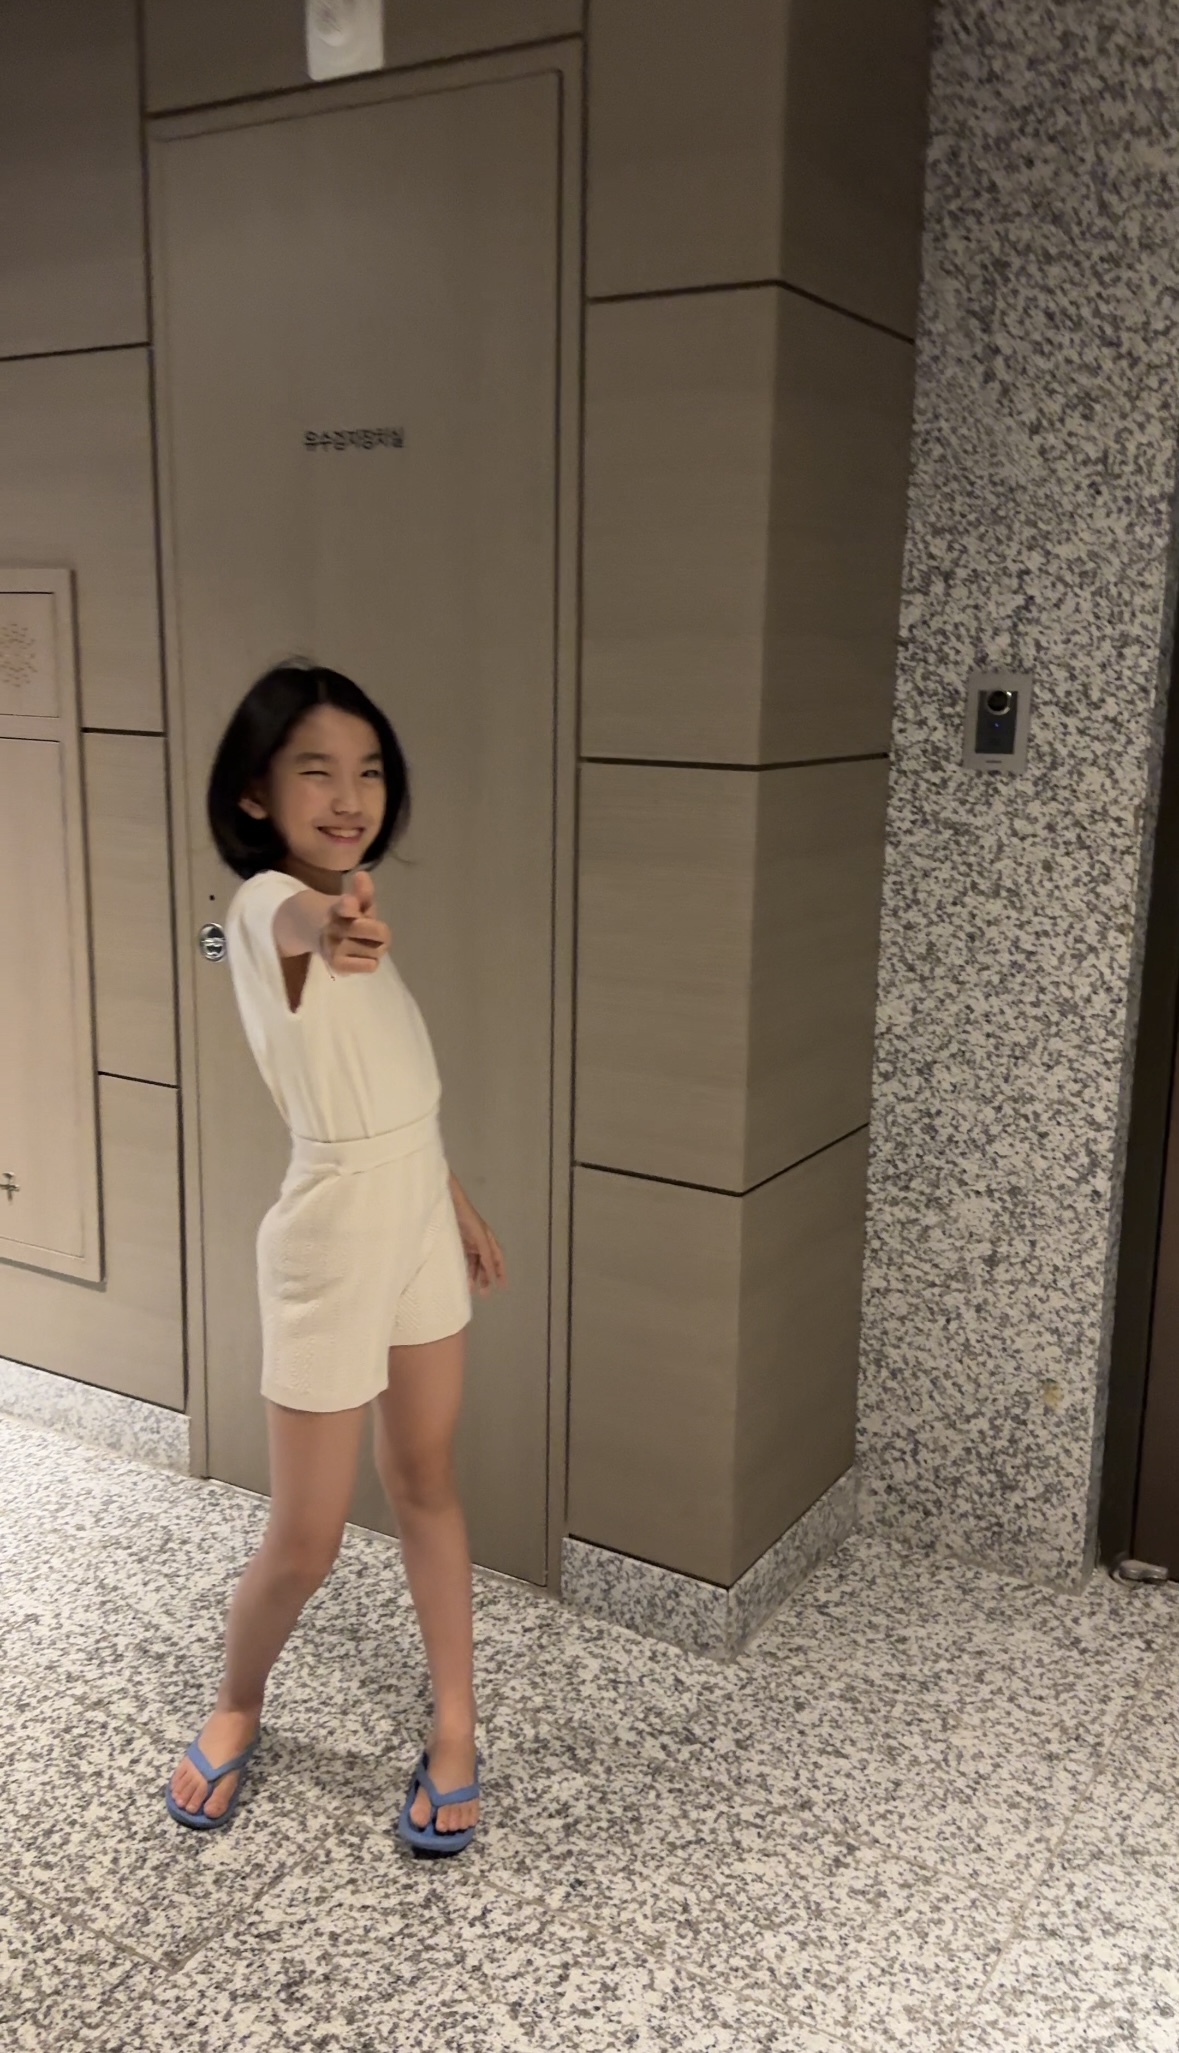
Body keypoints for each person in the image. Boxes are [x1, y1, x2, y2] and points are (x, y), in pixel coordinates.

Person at [165, 661, 505, 1857]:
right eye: (316, 770)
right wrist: (340, 927)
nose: (349, 795)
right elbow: (305, 935)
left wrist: (451, 1199)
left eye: (367, 771)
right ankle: (236, 1700)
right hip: (330, 1237)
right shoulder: (269, 908)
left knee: (426, 1478)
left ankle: (455, 1728)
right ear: (255, 791)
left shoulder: (337, 901)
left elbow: (392, 1086)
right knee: (306, 1535)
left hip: (414, 1213)